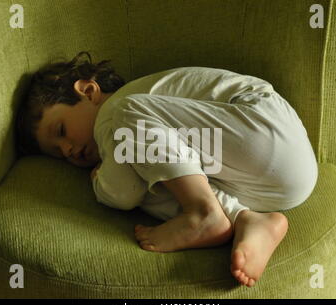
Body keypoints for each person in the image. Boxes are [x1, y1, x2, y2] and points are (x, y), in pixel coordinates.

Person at [16, 51, 318, 287]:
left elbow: (122, 192)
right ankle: (246, 219)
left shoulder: (116, 109)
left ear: (88, 90)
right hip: (287, 183)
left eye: (61, 131)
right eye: (58, 153)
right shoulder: (147, 143)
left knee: (129, 131)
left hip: (261, 124)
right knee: (159, 176)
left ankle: (203, 213)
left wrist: (100, 183)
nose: (68, 149)